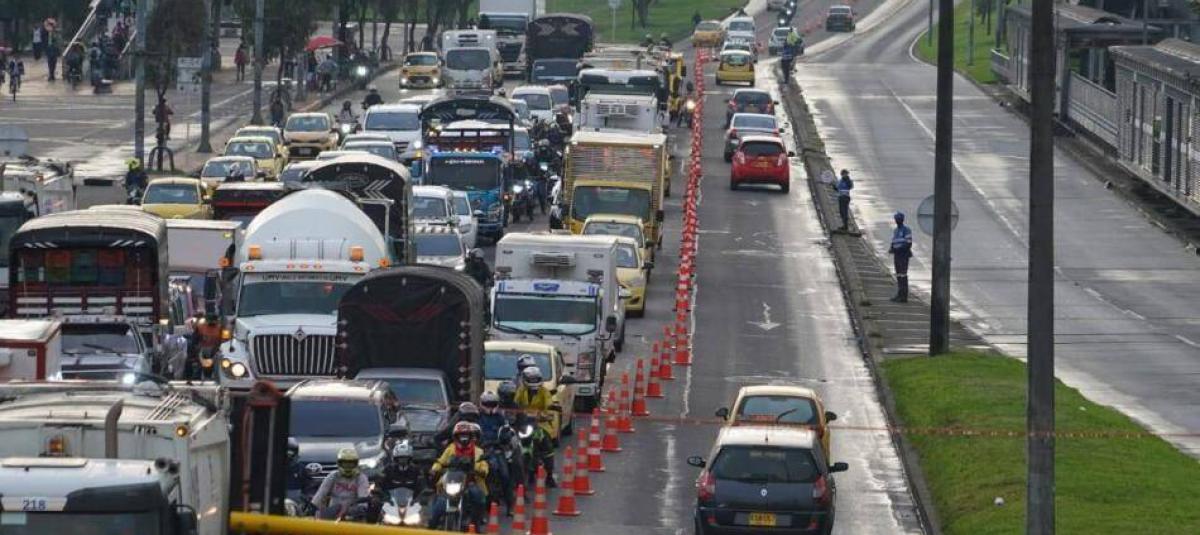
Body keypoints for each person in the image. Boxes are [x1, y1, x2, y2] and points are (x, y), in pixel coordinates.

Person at [428, 421, 489, 529]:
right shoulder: (450, 448)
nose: (463, 438)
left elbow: (483, 464)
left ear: (471, 436)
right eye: (461, 435)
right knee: (439, 501)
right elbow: (440, 462)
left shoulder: (478, 451)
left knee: (478, 497)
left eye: (466, 435)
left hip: (470, 481)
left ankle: (475, 524)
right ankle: (432, 525)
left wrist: (482, 470)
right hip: (451, 480)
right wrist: (434, 469)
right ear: (456, 437)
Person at [514, 366, 556, 487]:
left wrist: (545, 414)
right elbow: (515, 405)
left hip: (541, 424)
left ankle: (549, 475)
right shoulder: (521, 391)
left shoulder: (544, 392)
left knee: (547, 445)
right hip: (524, 424)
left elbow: (549, 406)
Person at [310, 447, 370, 520]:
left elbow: (363, 498)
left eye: (351, 463)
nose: (348, 466)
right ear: (339, 463)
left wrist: (360, 508)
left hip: (352, 515)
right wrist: (312, 506)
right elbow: (321, 493)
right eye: (345, 463)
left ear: (356, 464)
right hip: (332, 513)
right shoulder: (333, 476)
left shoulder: (361, 478)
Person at [888, 212, 913, 303]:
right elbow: (894, 241)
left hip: (903, 255)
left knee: (903, 275)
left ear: (902, 220)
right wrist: (892, 248)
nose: (897, 221)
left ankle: (904, 296)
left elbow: (908, 243)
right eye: (896, 219)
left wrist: (899, 249)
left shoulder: (906, 230)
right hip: (897, 255)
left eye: (898, 219)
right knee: (898, 275)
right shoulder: (896, 230)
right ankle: (899, 294)